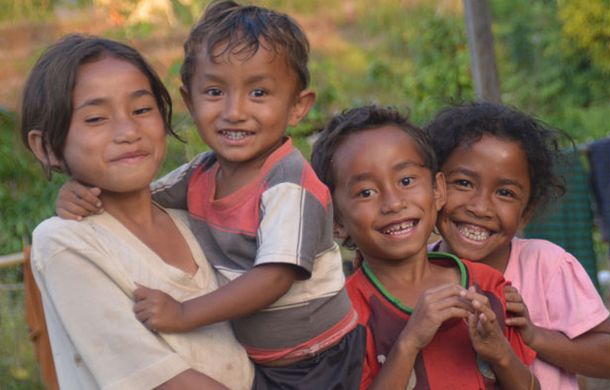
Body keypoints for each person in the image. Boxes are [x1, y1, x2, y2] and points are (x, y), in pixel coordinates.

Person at [55, 1, 362, 388]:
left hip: (319, 357)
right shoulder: (202, 173)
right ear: (189, 101)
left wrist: (184, 314)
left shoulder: (289, 184)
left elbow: (274, 277)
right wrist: (81, 192)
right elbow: (139, 197)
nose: (234, 111)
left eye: (259, 93)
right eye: (215, 91)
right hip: (264, 362)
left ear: (298, 106)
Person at [22, 34, 254, 390]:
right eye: (96, 118)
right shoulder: (65, 242)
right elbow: (160, 380)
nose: (128, 131)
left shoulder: (195, 219)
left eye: (142, 110)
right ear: (46, 146)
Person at [310, 105, 538, 390]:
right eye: (366, 192)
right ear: (335, 220)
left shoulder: (489, 287)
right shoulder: (344, 316)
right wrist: (408, 343)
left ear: (437, 190)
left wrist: (500, 353)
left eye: (406, 181)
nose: (394, 203)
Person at [426, 102, 610, 389]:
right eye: (463, 183)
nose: (480, 207)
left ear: (527, 211)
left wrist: (534, 336)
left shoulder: (546, 267)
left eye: (505, 192)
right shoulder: (414, 273)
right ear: (434, 187)